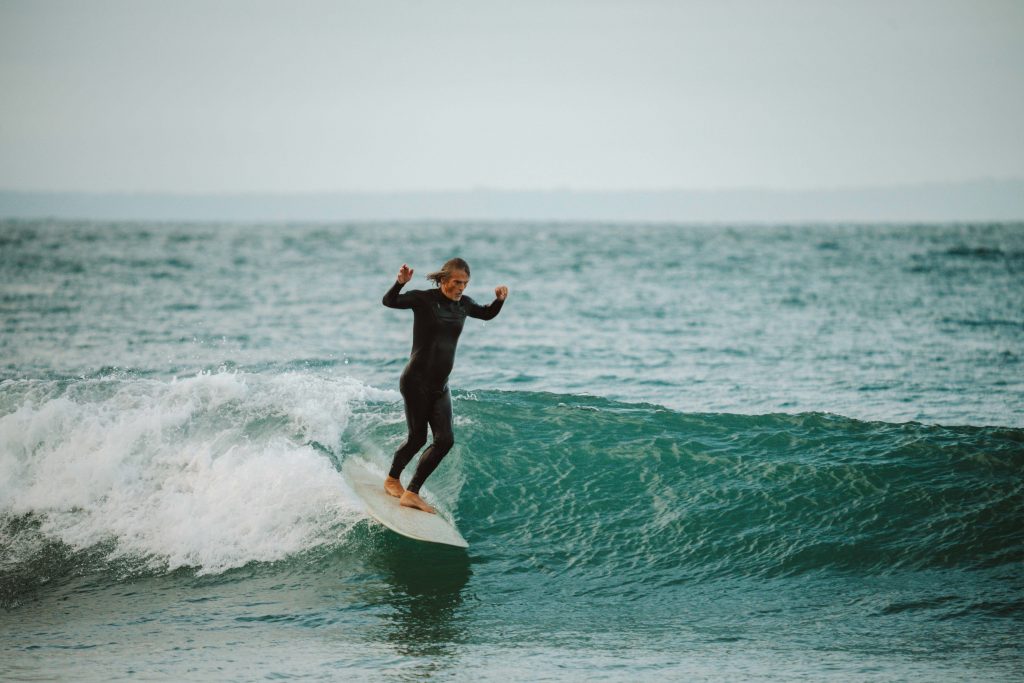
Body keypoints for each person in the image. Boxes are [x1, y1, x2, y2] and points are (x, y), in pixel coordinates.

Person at [382, 257, 508, 513]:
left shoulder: (464, 305)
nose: (461, 288)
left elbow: (486, 313)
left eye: (465, 283)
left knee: (445, 440)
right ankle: (392, 479)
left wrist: (499, 301)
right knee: (417, 439)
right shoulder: (424, 300)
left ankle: (411, 492)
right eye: (457, 282)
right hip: (415, 382)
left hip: (440, 385)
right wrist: (400, 283)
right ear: (444, 279)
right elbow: (389, 301)